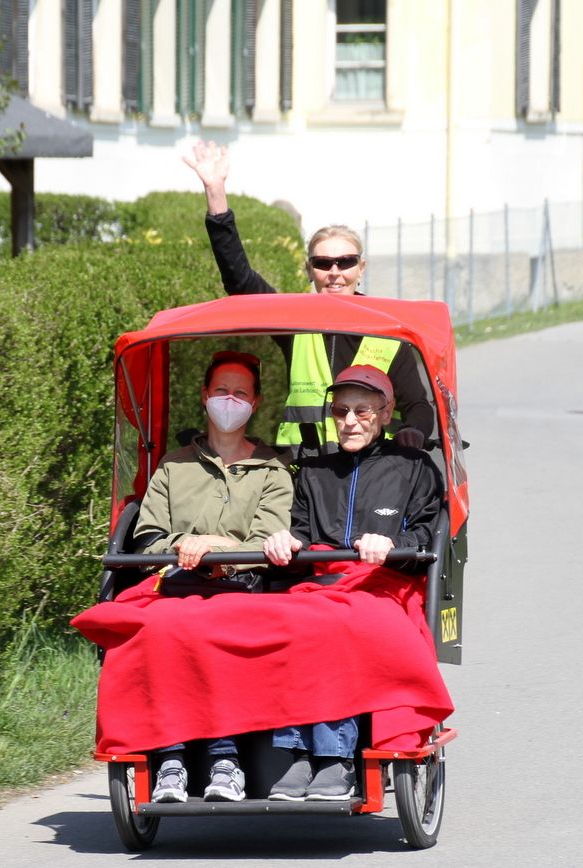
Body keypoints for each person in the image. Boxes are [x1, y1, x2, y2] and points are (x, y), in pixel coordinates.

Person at [261, 364, 443, 801]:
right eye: (340, 411)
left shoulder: (414, 467)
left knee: (341, 626)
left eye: (362, 412)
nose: (349, 421)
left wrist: (392, 541)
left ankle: (335, 759)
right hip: (323, 584)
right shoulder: (313, 471)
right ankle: (299, 754)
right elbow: (301, 529)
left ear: (385, 413)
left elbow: (425, 533)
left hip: (384, 582)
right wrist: (287, 539)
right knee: (286, 621)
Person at [183, 139, 434, 454]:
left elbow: (418, 406)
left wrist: (413, 432)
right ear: (310, 269)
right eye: (323, 263)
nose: (334, 271)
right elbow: (240, 281)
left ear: (361, 268)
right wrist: (215, 194)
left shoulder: (387, 331)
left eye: (345, 262)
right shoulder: (294, 323)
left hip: (370, 469)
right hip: (303, 470)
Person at [132, 350, 293, 804]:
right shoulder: (173, 466)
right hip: (180, 587)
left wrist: (215, 546)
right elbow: (147, 538)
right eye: (221, 390)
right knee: (158, 631)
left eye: (240, 393)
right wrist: (187, 544)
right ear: (205, 397)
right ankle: (170, 759)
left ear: (255, 403)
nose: (229, 399)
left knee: (214, 630)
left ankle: (226, 759)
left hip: (241, 588)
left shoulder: (273, 470)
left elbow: (268, 540)